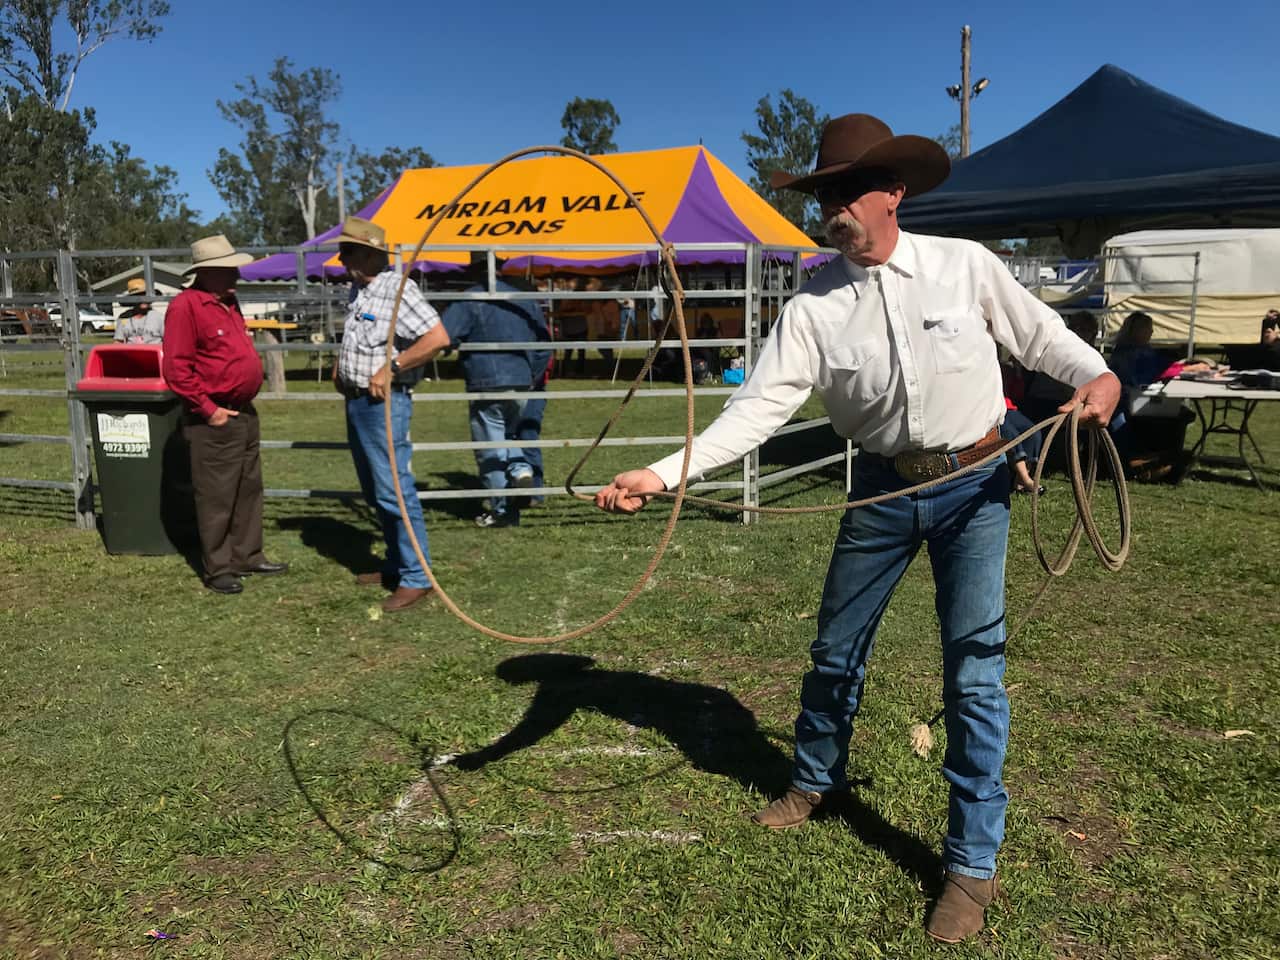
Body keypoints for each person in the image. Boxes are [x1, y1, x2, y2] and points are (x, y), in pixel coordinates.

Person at [593, 113, 1121, 944]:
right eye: (826, 193)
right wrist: (662, 473)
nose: (834, 206)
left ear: (893, 193)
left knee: (973, 672)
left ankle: (970, 868)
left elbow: (1041, 336)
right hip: (878, 492)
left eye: (848, 190)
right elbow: (755, 413)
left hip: (976, 485)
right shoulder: (811, 306)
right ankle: (814, 779)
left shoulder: (963, 265)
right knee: (837, 647)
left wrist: (1097, 375)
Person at [334, 217, 451, 613]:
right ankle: (399, 564)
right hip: (358, 402)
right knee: (375, 490)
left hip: (383, 404)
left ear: (370, 253)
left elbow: (437, 338)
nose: (342, 258)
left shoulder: (400, 289)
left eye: (348, 251)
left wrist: (392, 368)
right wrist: (342, 366)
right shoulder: (359, 290)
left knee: (392, 490)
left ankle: (417, 576)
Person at [162, 235, 289, 594]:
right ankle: (218, 568)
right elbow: (176, 368)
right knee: (216, 494)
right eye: (228, 269)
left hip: (243, 413)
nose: (236, 275)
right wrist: (208, 409)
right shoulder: (186, 307)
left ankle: (247, 553)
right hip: (215, 416)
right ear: (207, 272)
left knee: (249, 488)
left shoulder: (228, 302)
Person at [442, 253, 552, 528]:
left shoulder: (468, 299)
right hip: (521, 379)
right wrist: (531, 375)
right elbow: (543, 343)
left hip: (485, 380)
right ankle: (522, 470)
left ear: (474, 269)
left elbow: (444, 336)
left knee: (490, 445)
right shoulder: (523, 298)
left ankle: (502, 511)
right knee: (512, 434)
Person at [114, 277, 165, 344]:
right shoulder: (124, 317)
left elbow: (169, 340)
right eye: (138, 296)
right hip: (130, 353)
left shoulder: (159, 318)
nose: (143, 299)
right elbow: (118, 341)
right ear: (132, 299)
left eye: (145, 295)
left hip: (153, 354)